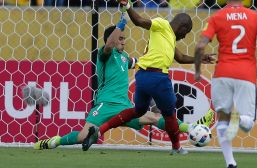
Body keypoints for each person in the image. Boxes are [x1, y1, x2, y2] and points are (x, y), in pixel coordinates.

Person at [33, 14, 214, 151]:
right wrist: (122, 22)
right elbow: (110, 45)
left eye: (124, 38)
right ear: (110, 39)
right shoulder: (104, 54)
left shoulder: (124, 58)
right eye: (120, 38)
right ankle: (54, 141)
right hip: (105, 105)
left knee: (153, 117)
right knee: (82, 137)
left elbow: (146, 62)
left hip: (124, 107)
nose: (123, 41)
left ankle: (193, 127)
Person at [81, 0, 216, 154]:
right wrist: (128, 6)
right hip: (158, 77)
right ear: (183, 27)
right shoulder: (162, 24)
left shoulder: (169, 38)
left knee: (137, 111)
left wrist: (199, 58)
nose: (184, 37)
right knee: (170, 115)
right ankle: (177, 147)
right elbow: (139, 21)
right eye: (186, 33)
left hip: (143, 76)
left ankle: (99, 131)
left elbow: (180, 57)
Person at [194, 0, 257, 168]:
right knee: (248, 125)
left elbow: (200, 46)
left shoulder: (216, 17)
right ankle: (236, 119)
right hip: (246, 74)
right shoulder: (255, 17)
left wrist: (197, 70)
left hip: (222, 73)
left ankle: (230, 163)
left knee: (222, 118)